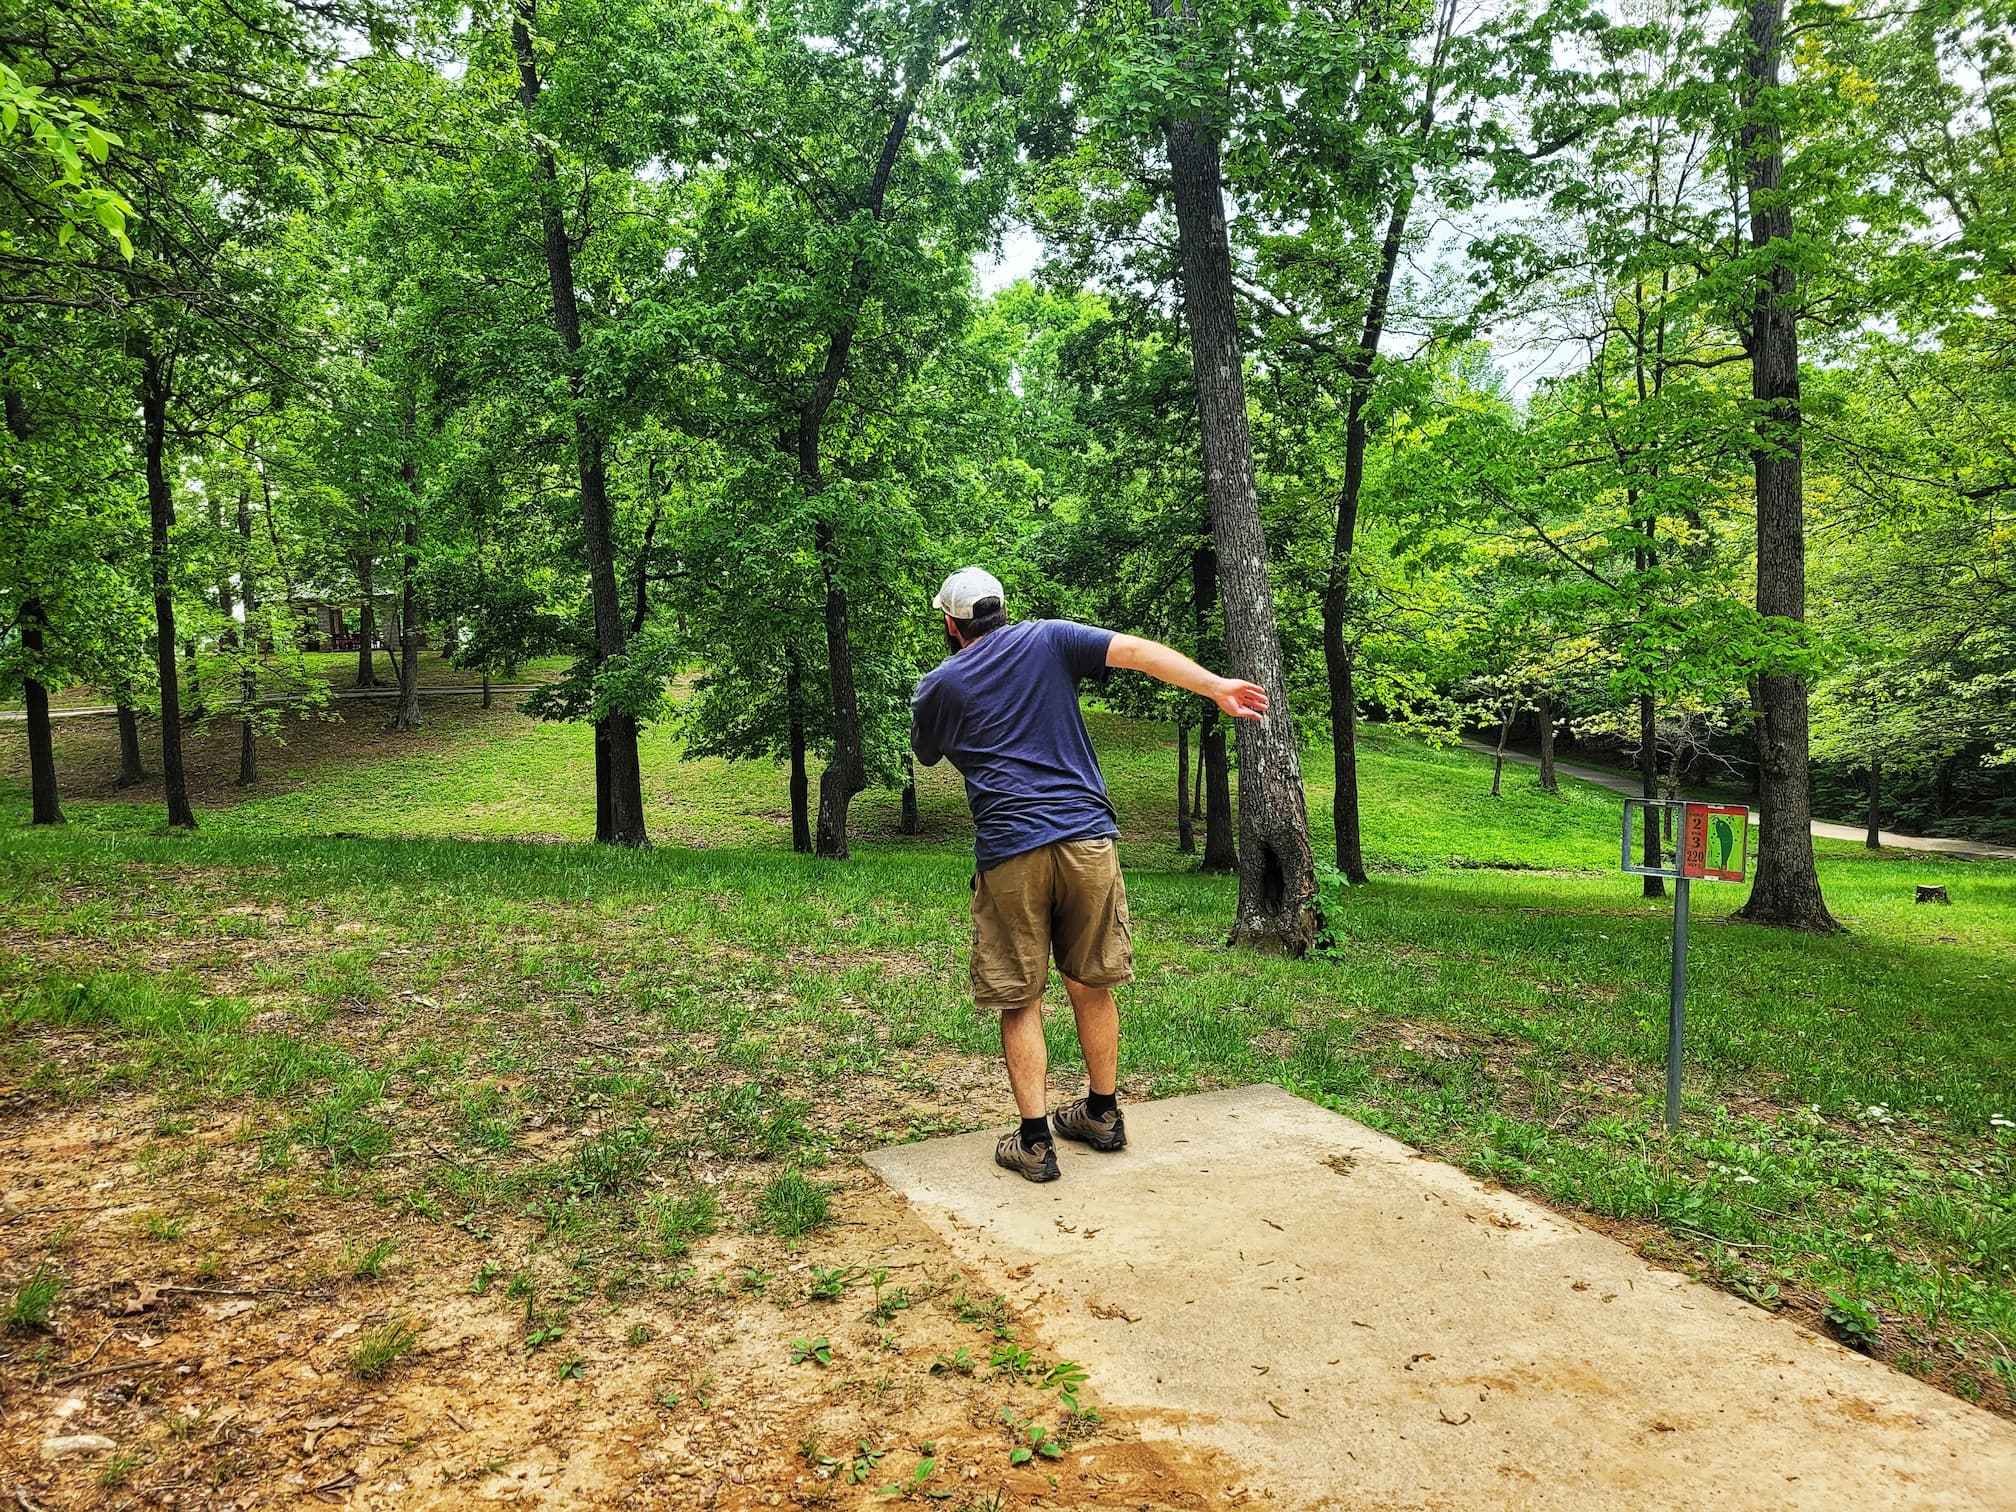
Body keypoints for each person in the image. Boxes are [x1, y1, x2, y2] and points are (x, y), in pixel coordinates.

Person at [909, 566, 1268, 1182]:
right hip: (1087, 839)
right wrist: (1215, 687)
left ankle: (1033, 1142)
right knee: (1091, 980)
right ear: (1002, 608)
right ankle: (1102, 1113)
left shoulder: (939, 684)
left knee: (1020, 997)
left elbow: (927, 751)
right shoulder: (1048, 637)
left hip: (1011, 848)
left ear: (950, 622)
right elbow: (1135, 651)